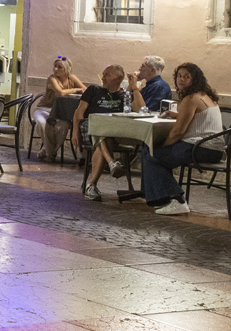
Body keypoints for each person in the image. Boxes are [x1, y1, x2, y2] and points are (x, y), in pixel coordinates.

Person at [138, 63, 222, 216]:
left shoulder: (191, 98)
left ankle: (177, 200)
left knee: (152, 154)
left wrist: (165, 146)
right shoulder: (204, 95)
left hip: (201, 147)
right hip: (214, 149)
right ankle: (158, 198)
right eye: (179, 76)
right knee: (151, 150)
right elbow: (198, 117)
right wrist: (177, 115)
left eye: (186, 77)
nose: (181, 80)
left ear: (194, 79)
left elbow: (178, 132)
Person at [80, 65, 134, 201]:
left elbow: (137, 110)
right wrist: (75, 132)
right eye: (103, 74)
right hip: (89, 129)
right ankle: (111, 163)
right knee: (100, 127)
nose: (103, 78)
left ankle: (91, 185)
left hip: (110, 133)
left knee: (104, 134)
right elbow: (78, 112)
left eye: (107, 75)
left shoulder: (123, 96)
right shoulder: (93, 90)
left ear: (119, 78)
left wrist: (135, 88)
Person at [35, 56, 87, 162]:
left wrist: (78, 88)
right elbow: (60, 93)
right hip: (44, 109)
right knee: (42, 123)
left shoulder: (71, 78)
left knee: (64, 126)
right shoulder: (52, 79)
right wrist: (76, 89)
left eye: (59, 67)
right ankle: (51, 154)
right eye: (55, 66)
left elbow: (85, 90)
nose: (56, 69)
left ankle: (47, 150)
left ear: (66, 69)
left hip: (60, 112)